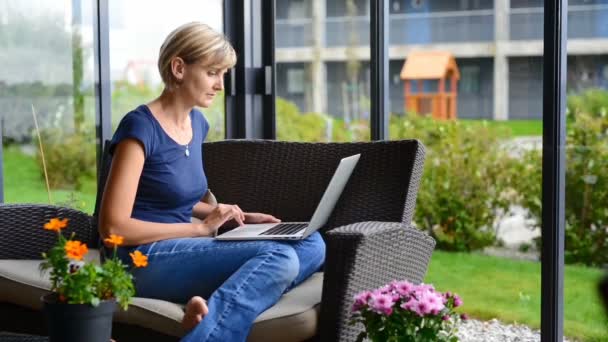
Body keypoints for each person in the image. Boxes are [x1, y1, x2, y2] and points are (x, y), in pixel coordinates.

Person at [98, 22, 326, 342]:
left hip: (183, 248)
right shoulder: (139, 128)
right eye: (212, 72)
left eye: (223, 74)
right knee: (281, 258)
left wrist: (226, 215)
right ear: (179, 68)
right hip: (139, 258)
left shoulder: (197, 123)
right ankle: (207, 334)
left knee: (312, 244)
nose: (220, 85)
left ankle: (207, 306)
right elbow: (113, 228)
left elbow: (168, 194)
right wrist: (198, 229)